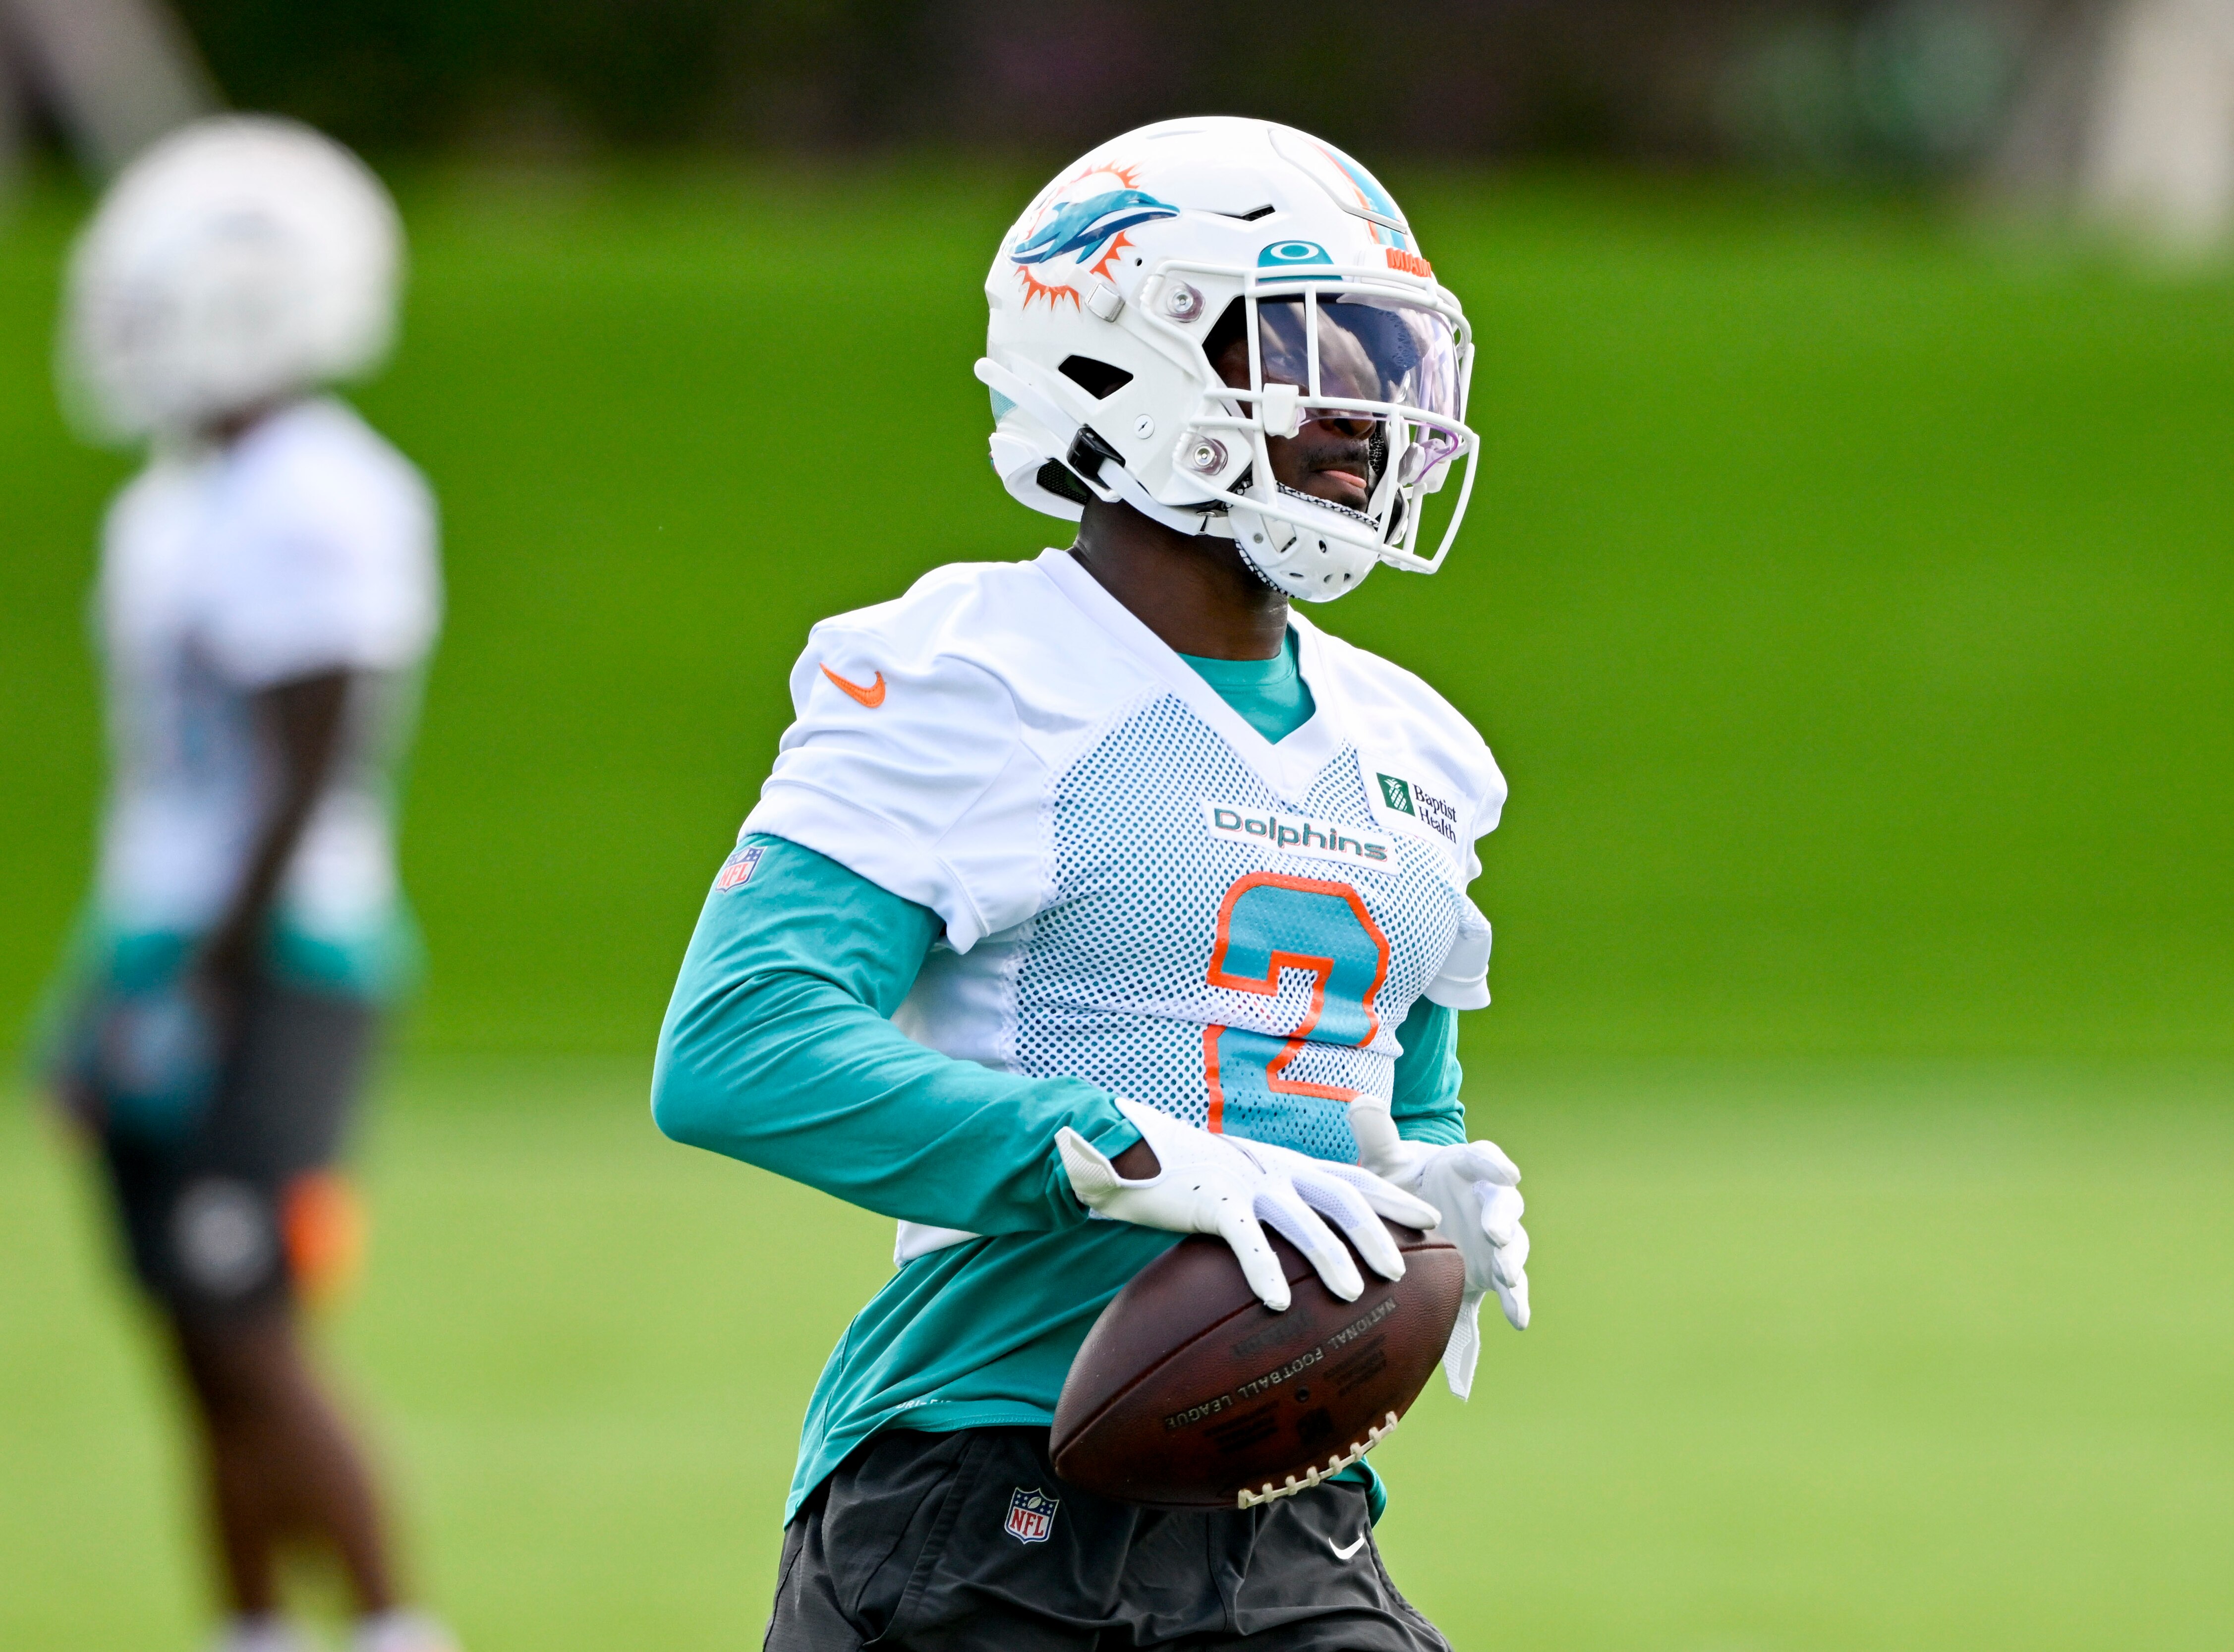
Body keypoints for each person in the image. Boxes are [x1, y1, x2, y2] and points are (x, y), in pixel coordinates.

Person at [653, 116, 1531, 1651]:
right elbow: (740, 1048)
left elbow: (1397, 1088)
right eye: (1316, 347)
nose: (1370, 414)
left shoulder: (1421, 751)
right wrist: (1114, 1153)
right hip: (981, 1492)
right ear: (1132, 354)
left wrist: (1426, 1187)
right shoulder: (977, 673)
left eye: (1391, 362)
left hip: (1289, 1508)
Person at [40, 116, 455, 1652]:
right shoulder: (172, 498)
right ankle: (251, 1631)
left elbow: (309, 759)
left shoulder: (325, 494)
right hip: (166, 941)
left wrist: (203, 974)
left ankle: (398, 1627)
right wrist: (108, 984)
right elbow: (167, 791)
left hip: (280, 955)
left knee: (246, 1316)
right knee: (186, 1338)